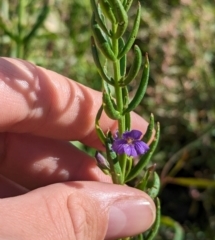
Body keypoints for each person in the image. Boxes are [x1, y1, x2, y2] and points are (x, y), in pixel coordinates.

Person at [0, 57, 155, 240]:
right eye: (128, 139)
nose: (129, 141)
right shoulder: (121, 143)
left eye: (131, 139)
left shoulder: (131, 143)